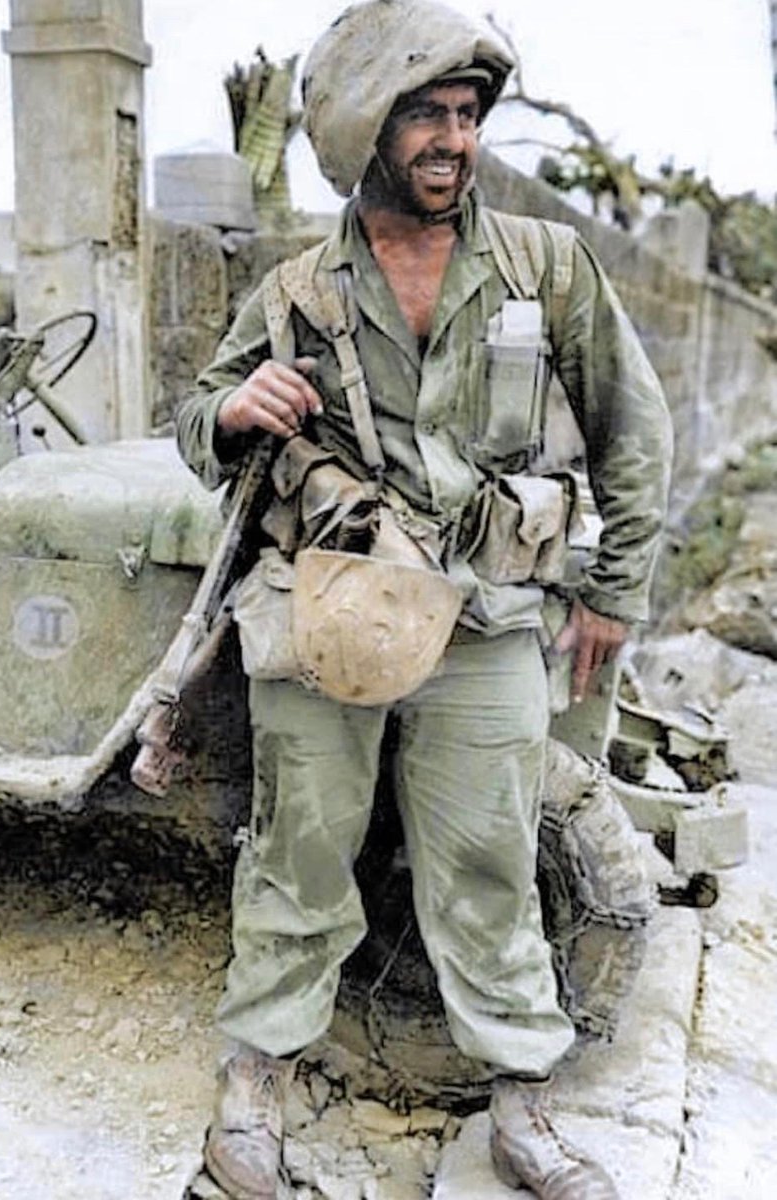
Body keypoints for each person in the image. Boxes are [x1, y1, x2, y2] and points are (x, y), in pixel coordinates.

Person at [176, 2, 673, 1196]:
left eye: (466, 116)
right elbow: (198, 420)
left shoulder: (544, 265)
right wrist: (240, 410)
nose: (454, 141)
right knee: (297, 851)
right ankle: (256, 1083)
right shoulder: (298, 288)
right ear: (365, 133)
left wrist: (615, 587)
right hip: (329, 610)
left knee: (494, 860)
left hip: (487, 618)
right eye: (426, 117)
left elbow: (631, 427)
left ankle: (522, 1102)